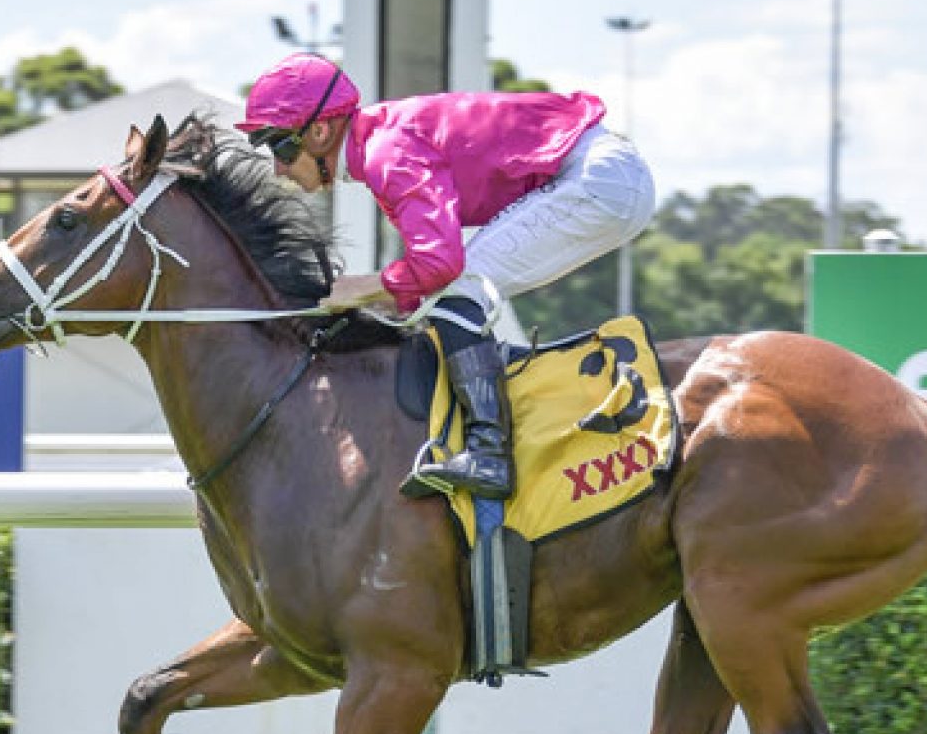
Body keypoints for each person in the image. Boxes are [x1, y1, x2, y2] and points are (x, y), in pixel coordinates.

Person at [236, 52, 655, 501]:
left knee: (460, 288)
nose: (279, 169)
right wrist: (387, 295)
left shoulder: (386, 152)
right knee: (451, 293)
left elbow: (440, 264)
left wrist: (366, 286)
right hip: (602, 175)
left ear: (319, 131)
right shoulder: (379, 144)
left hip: (599, 179)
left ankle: (489, 452)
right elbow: (427, 277)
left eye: (280, 147)